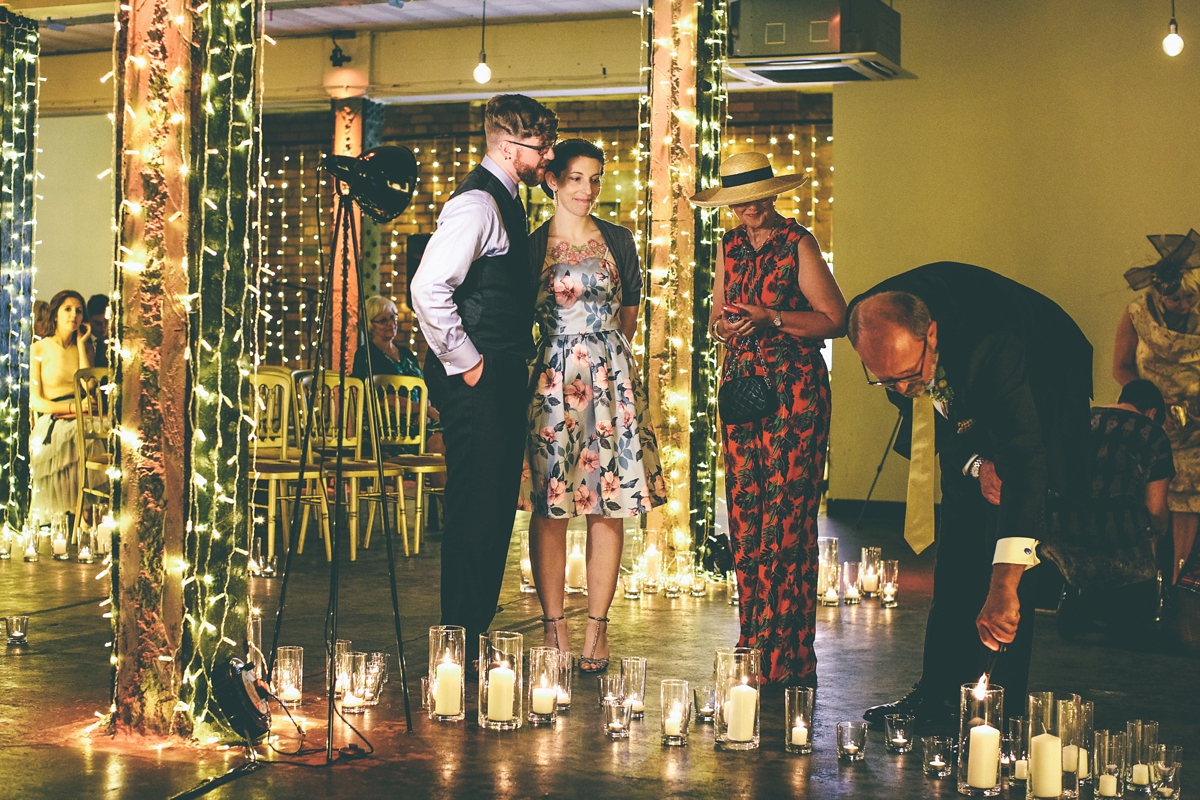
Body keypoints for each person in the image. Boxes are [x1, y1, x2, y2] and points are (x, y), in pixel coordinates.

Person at [848, 264, 1092, 726]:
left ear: (932, 335)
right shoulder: (867, 322)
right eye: (885, 381)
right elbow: (939, 421)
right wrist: (977, 463)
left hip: (1044, 371)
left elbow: (1024, 458)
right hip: (967, 384)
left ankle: (997, 711)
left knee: (1007, 544)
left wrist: (1004, 582)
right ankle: (938, 695)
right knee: (958, 543)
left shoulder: (992, 345)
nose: (899, 390)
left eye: (905, 374)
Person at [411, 94, 558, 672]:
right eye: (539, 147)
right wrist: (467, 362)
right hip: (477, 375)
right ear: (506, 144)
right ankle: (459, 643)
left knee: (494, 504)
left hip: (495, 372)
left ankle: (470, 635)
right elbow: (429, 289)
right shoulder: (476, 204)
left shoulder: (511, 199)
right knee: (476, 507)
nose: (547, 156)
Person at [690, 152, 847, 687]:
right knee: (747, 518)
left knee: (787, 519)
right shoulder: (729, 246)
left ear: (773, 194)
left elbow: (835, 319)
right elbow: (715, 317)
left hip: (793, 393)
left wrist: (773, 318)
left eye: (753, 199)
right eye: (736, 203)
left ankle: (791, 653)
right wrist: (725, 328)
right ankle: (753, 643)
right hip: (740, 392)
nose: (746, 210)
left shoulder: (797, 243)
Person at [520, 140, 667, 672]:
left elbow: (629, 314)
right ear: (553, 181)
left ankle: (597, 630)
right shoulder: (533, 245)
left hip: (610, 381)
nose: (587, 189)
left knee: (609, 505)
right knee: (551, 505)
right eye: (577, 178)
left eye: (596, 179)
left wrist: (603, 363)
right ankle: (554, 627)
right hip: (551, 382)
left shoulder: (620, 240)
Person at [1042, 379, 1173, 641]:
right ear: (1153, 413)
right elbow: (1156, 511)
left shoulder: (1083, 418)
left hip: (1058, 536)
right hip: (1120, 544)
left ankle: (1076, 603)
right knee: (1136, 618)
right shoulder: (1152, 433)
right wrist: (1158, 535)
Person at [1113, 229, 1200, 585]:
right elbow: (1120, 367)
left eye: (1191, 298)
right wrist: (1152, 401)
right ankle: (1147, 576)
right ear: (1161, 293)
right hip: (1151, 416)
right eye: (1178, 299)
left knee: (1189, 497)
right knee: (1150, 494)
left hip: (1193, 421)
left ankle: (1179, 580)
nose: (1186, 305)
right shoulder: (1136, 315)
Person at [352, 295, 444, 482]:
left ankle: (451, 502)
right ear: (371, 325)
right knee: (438, 439)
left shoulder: (406, 354)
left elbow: (422, 388)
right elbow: (384, 400)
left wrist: (424, 410)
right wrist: (423, 409)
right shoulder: (366, 354)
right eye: (382, 320)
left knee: (455, 435)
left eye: (393, 317)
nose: (390, 323)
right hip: (387, 426)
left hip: (418, 420)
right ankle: (448, 504)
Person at [29, 290, 95, 523]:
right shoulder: (40, 348)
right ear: (55, 314)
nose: (74, 315)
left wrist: (82, 344)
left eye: (78, 310)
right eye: (67, 309)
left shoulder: (84, 347)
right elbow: (35, 401)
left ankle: (86, 512)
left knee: (98, 431)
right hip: (53, 415)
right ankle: (75, 514)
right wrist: (72, 408)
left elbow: (90, 386)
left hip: (82, 412)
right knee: (75, 434)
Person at [86, 294, 110, 369]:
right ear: (88, 319)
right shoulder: (81, 340)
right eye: (98, 323)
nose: (103, 328)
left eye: (106, 322)